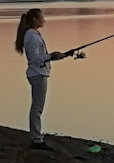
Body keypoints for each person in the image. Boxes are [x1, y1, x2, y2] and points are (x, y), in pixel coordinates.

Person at [15, 8, 77, 148]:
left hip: (39, 73)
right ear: (35, 20)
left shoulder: (34, 34)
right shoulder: (31, 36)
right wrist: (51, 55)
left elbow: (42, 58)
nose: (44, 20)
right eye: (42, 17)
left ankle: (36, 137)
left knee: (37, 107)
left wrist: (63, 55)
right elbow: (35, 58)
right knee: (37, 108)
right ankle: (37, 139)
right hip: (38, 74)